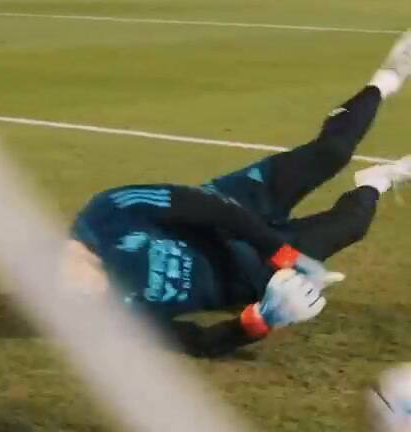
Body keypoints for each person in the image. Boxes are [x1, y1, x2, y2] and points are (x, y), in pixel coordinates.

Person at [61, 31, 411, 357]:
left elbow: (207, 206)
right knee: (352, 224)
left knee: (331, 152)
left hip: (234, 204)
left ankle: (387, 80)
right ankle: (377, 179)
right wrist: (261, 319)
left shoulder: (109, 211)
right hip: (242, 275)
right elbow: (196, 342)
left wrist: (281, 252)